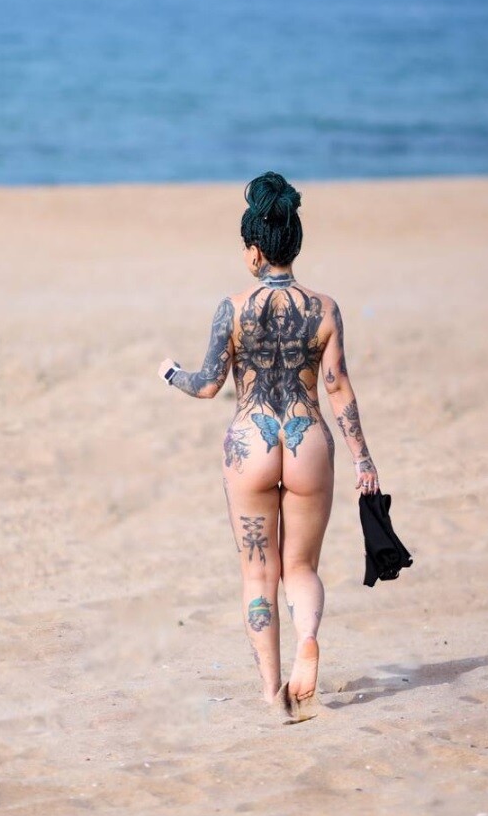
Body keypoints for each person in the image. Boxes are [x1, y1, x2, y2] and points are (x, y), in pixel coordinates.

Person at [159, 172, 381, 723]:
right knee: (301, 567)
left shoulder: (232, 308)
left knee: (258, 575)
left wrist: (170, 373)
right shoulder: (325, 309)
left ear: (254, 250)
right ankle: (308, 639)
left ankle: (270, 693)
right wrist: (363, 458)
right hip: (307, 441)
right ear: (294, 245)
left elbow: (208, 385)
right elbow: (337, 387)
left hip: (250, 443)